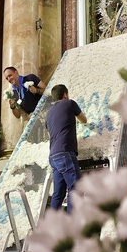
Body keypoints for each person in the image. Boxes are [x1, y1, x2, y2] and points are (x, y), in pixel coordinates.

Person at [45, 84, 88, 213]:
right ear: (65, 95)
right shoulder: (69, 103)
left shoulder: (48, 114)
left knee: (58, 193)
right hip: (65, 153)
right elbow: (84, 120)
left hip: (53, 156)